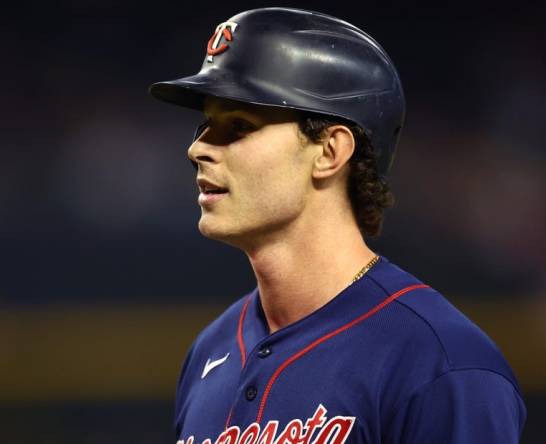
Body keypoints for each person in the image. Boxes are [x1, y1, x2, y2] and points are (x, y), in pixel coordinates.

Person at [150, 7, 526, 444]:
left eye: (238, 125)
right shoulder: (209, 352)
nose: (198, 148)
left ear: (330, 151)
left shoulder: (440, 363)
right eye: (206, 124)